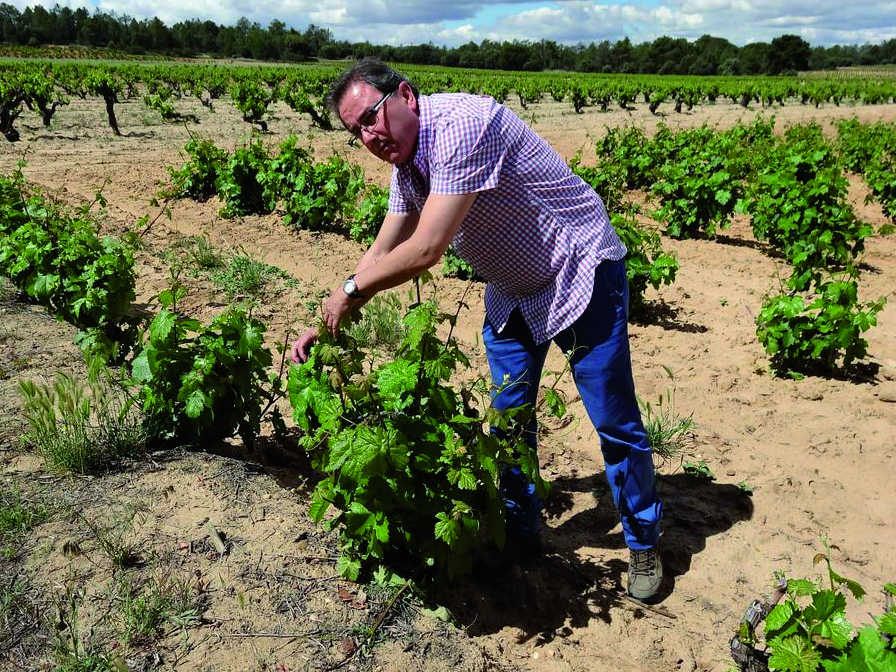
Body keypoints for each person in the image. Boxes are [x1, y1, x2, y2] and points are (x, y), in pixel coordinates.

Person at [291, 58, 664, 602]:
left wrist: (352, 291)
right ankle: (519, 531)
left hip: (577, 268)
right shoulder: (407, 165)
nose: (370, 137)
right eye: (356, 133)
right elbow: (382, 248)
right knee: (509, 419)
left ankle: (644, 542)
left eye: (371, 118)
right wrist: (325, 319)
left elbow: (426, 249)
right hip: (513, 287)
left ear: (406, 96)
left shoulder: (465, 126)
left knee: (612, 418)